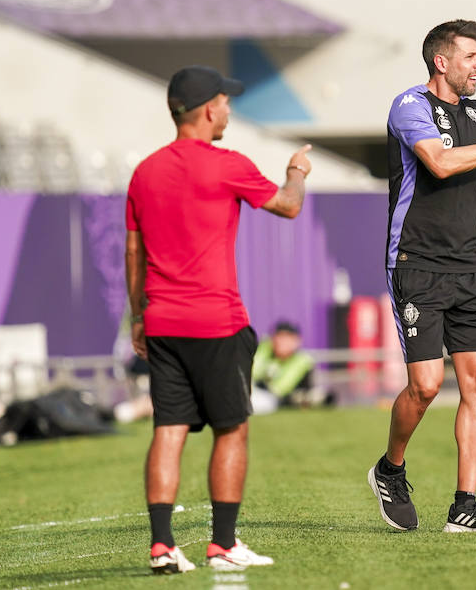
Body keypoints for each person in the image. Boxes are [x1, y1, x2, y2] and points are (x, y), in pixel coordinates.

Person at [126, 65, 312, 574]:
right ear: (209, 109)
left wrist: (138, 316)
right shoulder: (226, 164)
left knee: (168, 429)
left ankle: (162, 547)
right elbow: (289, 206)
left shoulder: (145, 171)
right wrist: (296, 170)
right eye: (226, 101)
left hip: (161, 322)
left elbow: (133, 248)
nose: (229, 108)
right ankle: (223, 545)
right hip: (216, 322)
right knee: (232, 430)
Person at [369, 19, 476, 534]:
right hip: (416, 263)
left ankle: (464, 506)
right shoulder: (410, 107)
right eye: (471, 56)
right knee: (424, 386)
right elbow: (441, 163)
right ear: (441, 62)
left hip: (469, 265)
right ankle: (391, 467)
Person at [250, 321, 317, 414]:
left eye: (287, 338)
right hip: (255, 392)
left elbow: (279, 389)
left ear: (296, 341)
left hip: (273, 400)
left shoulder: (302, 361)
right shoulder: (265, 350)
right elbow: (251, 372)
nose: (282, 342)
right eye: (279, 337)